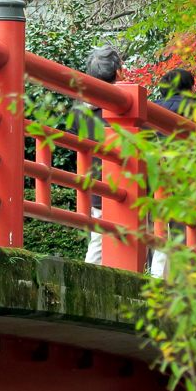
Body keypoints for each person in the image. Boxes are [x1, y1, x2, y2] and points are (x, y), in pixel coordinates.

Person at [68, 46, 123, 265]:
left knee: (99, 239)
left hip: (94, 179)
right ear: (118, 71)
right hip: (124, 180)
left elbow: (72, 143)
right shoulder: (123, 104)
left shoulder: (80, 108)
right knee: (106, 243)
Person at [146, 67, 196, 277]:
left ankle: (156, 278)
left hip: (152, 180)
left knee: (156, 227)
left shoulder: (150, 108)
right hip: (187, 181)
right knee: (184, 230)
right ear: (191, 88)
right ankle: (183, 282)